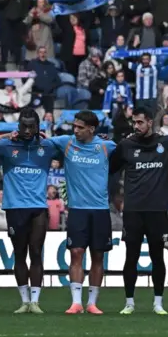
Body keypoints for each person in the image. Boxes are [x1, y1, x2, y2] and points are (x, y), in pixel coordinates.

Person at [0, 107, 61, 313]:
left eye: (31, 126)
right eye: (24, 126)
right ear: (18, 126)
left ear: (38, 127)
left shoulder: (47, 146)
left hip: (38, 208)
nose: (27, 130)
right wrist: (2, 135)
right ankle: (24, 301)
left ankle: (35, 301)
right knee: (19, 253)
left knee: (36, 252)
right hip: (14, 208)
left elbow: (74, 146)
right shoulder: (7, 145)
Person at [49, 111, 116, 314]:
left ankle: (92, 303)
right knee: (76, 253)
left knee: (98, 256)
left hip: (100, 209)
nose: (75, 130)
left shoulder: (107, 146)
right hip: (77, 209)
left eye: (79, 127)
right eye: (74, 126)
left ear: (92, 129)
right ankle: (76, 302)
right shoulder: (66, 143)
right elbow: (41, 141)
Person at [110, 108, 168, 314]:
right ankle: (129, 303)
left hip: (157, 210)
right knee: (131, 257)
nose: (136, 126)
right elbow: (110, 168)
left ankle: (158, 303)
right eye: (134, 123)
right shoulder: (126, 145)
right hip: (133, 211)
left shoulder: (165, 144)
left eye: (140, 123)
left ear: (150, 123)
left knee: (157, 257)